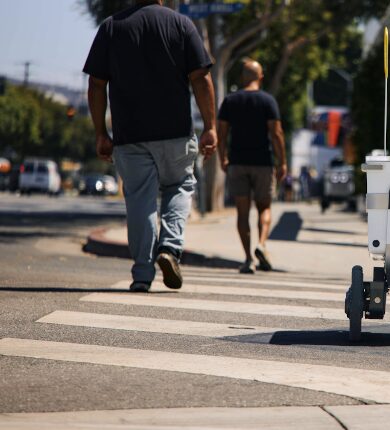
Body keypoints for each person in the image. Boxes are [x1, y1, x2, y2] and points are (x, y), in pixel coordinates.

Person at [83, 0, 216, 292]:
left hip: (130, 135)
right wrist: (210, 127)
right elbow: (201, 78)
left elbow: (96, 83)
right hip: (175, 133)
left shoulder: (111, 27)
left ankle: (142, 274)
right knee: (179, 186)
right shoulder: (181, 24)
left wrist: (100, 133)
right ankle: (169, 247)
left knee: (140, 200)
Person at [217, 59, 286, 274]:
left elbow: (221, 134)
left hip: (237, 163)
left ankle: (248, 259)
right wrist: (282, 161)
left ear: (242, 78)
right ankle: (262, 244)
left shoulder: (230, 101)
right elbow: (276, 134)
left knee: (242, 213)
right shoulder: (268, 101)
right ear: (261, 77)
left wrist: (223, 157)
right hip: (263, 163)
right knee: (264, 208)